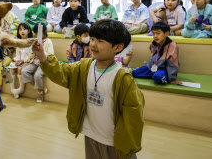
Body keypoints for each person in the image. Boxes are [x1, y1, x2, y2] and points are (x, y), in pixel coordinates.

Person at [32, 19, 144, 159]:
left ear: (118, 47)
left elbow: (134, 115)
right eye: (92, 39)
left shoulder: (122, 78)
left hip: (114, 141)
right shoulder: (83, 66)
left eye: (101, 41)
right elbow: (61, 73)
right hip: (90, 134)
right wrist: (42, 56)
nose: (93, 44)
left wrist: (127, 141)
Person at [22, 23, 54, 102]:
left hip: (43, 63)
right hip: (34, 62)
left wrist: (41, 51)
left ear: (45, 31)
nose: (37, 35)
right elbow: (31, 53)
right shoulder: (35, 41)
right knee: (24, 71)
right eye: (36, 34)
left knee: (37, 75)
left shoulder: (48, 42)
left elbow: (50, 55)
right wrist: (28, 58)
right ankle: (41, 88)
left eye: (39, 33)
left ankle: (40, 93)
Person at [10, 23, 33, 99]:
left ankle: (21, 89)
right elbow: (17, 55)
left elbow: (31, 56)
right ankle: (12, 89)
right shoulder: (18, 42)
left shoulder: (30, 42)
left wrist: (22, 61)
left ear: (28, 31)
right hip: (20, 61)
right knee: (11, 69)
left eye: (24, 29)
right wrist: (17, 60)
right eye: (20, 29)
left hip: (28, 61)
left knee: (20, 69)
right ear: (18, 32)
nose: (22, 31)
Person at [0, 20, 14, 95]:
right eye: (4, 28)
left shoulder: (12, 37)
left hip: (7, 57)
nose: (7, 30)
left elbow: (11, 47)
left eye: (8, 28)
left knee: (1, 66)